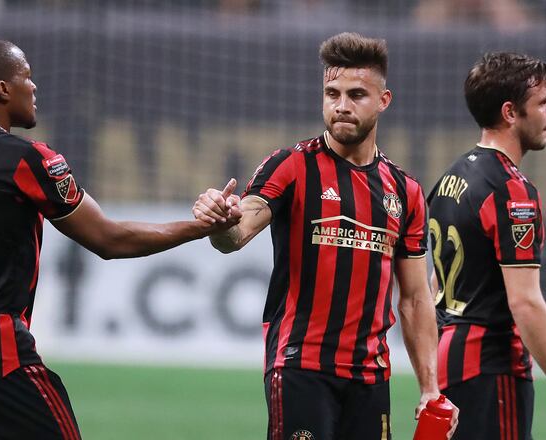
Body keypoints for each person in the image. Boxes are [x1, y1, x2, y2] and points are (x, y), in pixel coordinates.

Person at [0, 39, 239, 440]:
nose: (34, 88)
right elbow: (109, 239)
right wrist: (200, 227)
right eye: (27, 78)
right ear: (3, 90)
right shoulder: (27, 160)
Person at [193, 32, 455, 440]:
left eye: (356, 94)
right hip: (300, 366)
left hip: (370, 377)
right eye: (332, 93)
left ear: (384, 101)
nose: (342, 105)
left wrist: (430, 388)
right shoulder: (292, 166)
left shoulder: (406, 191)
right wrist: (221, 221)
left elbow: (416, 297)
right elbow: (238, 233)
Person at [426, 52, 546, 440]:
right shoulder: (512, 191)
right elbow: (526, 302)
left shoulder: (452, 176)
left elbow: (435, 284)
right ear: (510, 112)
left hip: (450, 360)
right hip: (490, 366)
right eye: (543, 102)